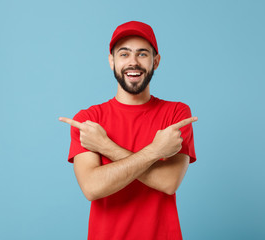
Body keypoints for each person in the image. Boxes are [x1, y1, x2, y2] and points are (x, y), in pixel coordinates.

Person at [59, 21, 197, 240]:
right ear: (111, 61)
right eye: (124, 54)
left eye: (142, 54)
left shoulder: (176, 114)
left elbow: (169, 183)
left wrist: (105, 146)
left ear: (156, 61)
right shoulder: (89, 121)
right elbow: (92, 187)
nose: (133, 62)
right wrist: (155, 151)